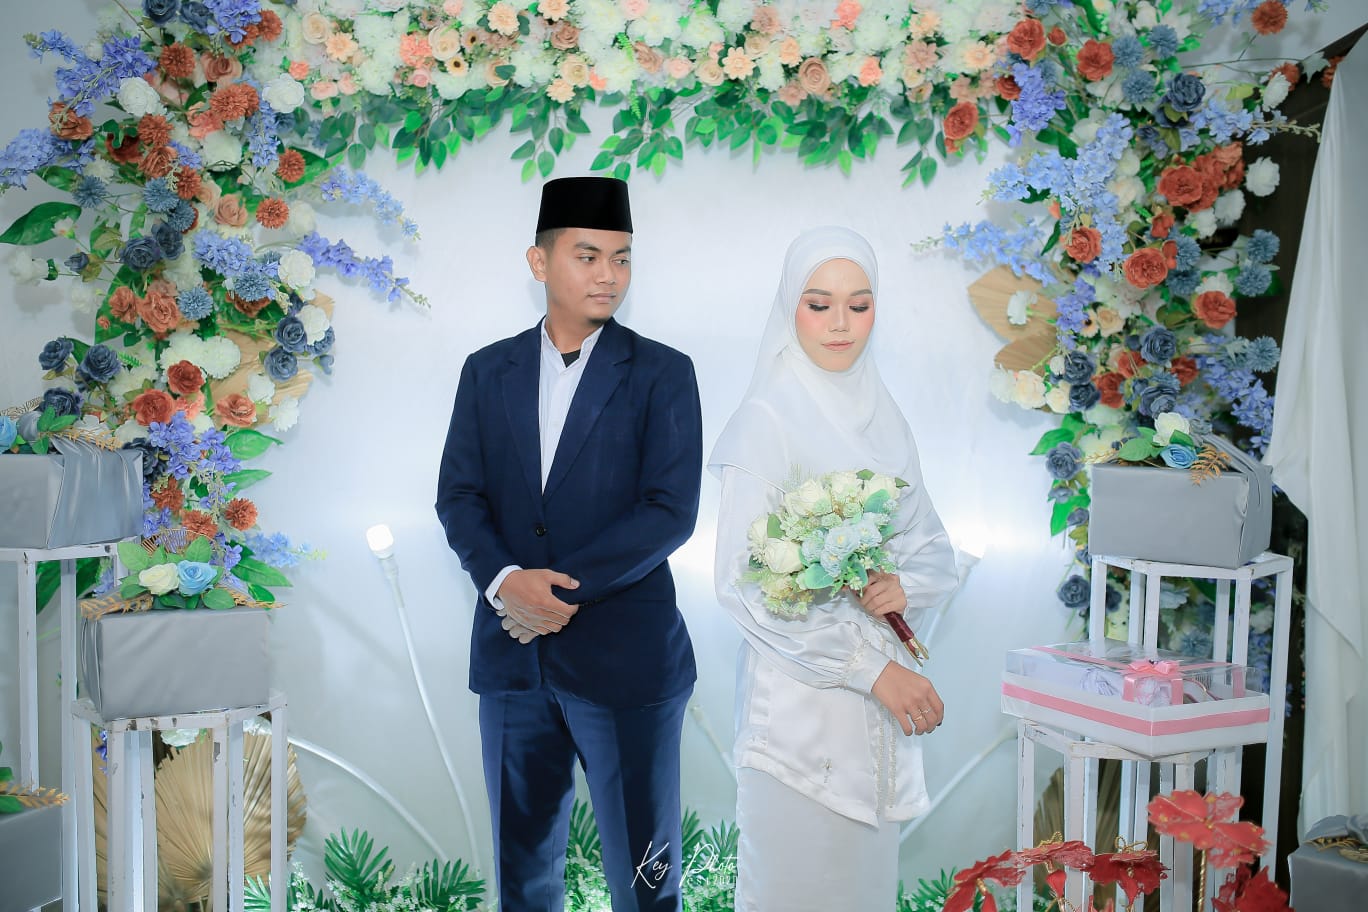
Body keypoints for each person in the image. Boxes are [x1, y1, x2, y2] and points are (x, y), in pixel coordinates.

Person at [435, 176, 703, 912]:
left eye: (622, 257)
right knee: (522, 880)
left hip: (627, 662)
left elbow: (669, 511)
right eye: (588, 256)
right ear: (539, 261)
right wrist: (504, 582)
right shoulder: (486, 371)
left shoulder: (662, 372)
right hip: (512, 662)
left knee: (645, 881)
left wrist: (551, 592)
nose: (608, 274)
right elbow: (459, 495)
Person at [708, 226, 960, 910]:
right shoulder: (766, 420)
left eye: (860, 304)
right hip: (798, 721)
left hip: (878, 724)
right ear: (789, 305)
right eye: (819, 304)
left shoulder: (887, 419)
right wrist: (874, 671)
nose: (841, 324)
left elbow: (932, 547)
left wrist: (903, 584)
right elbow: (741, 583)